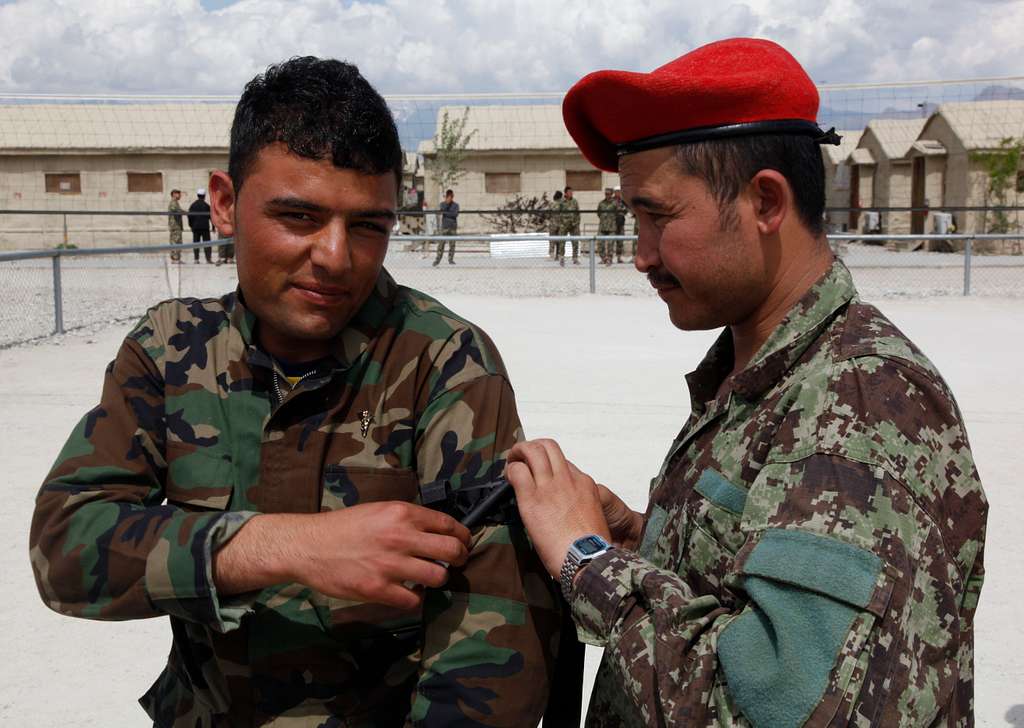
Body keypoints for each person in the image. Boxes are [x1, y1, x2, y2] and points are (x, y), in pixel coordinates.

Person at [30, 56, 560, 727]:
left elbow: (495, 632)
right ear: (224, 204)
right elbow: (65, 547)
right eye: (298, 216)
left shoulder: (444, 361)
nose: (336, 257)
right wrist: (288, 547)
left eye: (369, 225)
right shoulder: (171, 349)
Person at [505, 38, 987, 726]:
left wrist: (587, 563)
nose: (640, 255)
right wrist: (646, 541)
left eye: (658, 216)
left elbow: (772, 706)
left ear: (765, 202)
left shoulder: (861, 404)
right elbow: (763, 596)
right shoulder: (768, 374)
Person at [432, 188, 459, 266]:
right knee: (441, 244)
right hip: (445, 227)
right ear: (446, 197)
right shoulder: (442, 204)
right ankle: (437, 260)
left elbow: (455, 215)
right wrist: (447, 204)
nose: (450, 198)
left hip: (453, 227)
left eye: (451, 196)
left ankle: (451, 259)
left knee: (452, 244)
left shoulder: (456, 205)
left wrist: (447, 213)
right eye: (448, 197)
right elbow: (442, 211)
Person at [187, 187, 214, 263]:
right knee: (207, 243)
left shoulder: (193, 205)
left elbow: (189, 216)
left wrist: (191, 226)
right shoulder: (206, 205)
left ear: (197, 195)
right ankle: (208, 259)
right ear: (204, 196)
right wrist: (213, 227)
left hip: (195, 228)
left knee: (196, 243)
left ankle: (196, 259)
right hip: (205, 227)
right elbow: (211, 217)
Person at [596, 187, 617, 265]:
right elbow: (598, 213)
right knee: (600, 243)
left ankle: (609, 259)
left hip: (611, 227)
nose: (607, 195)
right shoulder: (601, 203)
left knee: (610, 244)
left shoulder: (615, 203)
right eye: (605, 194)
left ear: (611, 194)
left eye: (608, 194)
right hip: (602, 227)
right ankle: (603, 258)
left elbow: (618, 213)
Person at [560, 186, 581, 264]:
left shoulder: (575, 201)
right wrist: (561, 222)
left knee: (575, 242)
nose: (571, 193)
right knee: (562, 242)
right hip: (564, 225)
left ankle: (575, 258)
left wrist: (577, 223)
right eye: (569, 192)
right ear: (565, 193)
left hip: (574, 225)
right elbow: (558, 213)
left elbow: (578, 213)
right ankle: (562, 257)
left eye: (572, 192)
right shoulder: (561, 202)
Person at [167, 188, 184, 262]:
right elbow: (175, 210)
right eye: (178, 193)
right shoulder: (173, 203)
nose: (180, 195)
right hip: (175, 225)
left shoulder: (175, 202)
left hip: (176, 225)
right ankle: (175, 258)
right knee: (176, 241)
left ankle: (175, 258)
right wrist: (184, 212)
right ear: (174, 194)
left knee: (177, 241)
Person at [613, 186, 628, 262]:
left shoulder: (623, 201)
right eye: (616, 191)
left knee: (620, 241)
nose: (618, 193)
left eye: (619, 191)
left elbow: (626, 210)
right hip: (613, 224)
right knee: (611, 241)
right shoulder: (611, 201)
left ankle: (619, 257)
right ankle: (609, 258)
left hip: (621, 223)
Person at [548, 189, 564, 262]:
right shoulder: (562, 204)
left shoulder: (551, 204)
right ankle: (559, 255)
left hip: (552, 224)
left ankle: (552, 254)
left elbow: (548, 214)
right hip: (560, 224)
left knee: (552, 240)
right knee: (559, 240)